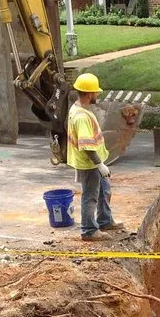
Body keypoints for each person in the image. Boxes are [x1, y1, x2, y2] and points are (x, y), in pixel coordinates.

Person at [68, 73, 125, 240]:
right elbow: (86, 146)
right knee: (90, 196)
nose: (97, 94)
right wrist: (100, 164)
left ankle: (105, 220)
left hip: (94, 163)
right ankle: (89, 231)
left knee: (104, 190)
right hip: (89, 164)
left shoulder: (78, 109)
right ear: (88, 94)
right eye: (95, 92)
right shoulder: (81, 117)